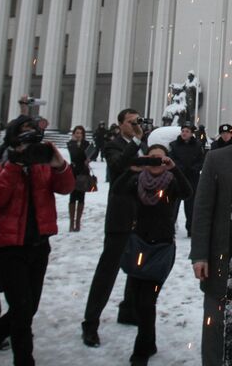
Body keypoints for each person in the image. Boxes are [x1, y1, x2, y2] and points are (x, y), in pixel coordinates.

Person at [0, 115, 74, 366]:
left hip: (38, 243)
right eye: (23, 134)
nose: (28, 139)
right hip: (9, 246)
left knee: (28, 308)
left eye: (32, 133)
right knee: (22, 310)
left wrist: (60, 165)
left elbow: (66, 187)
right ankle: (24, 360)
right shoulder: (1, 160)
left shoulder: (42, 159)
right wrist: (14, 164)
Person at [115, 145, 191, 365]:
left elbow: (188, 193)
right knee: (139, 301)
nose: (155, 163)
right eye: (151, 158)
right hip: (138, 244)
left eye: (160, 158)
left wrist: (175, 169)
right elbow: (117, 191)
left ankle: (140, 352)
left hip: (161, 248)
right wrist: (133, 169)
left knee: (147, 301)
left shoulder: (171, 182)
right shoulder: (138, 181)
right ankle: (150, 342)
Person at [81, 108, 148, 347]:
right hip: (121, 215)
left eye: (137, 121)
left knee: (137, 267)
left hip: (142, 215)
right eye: (131, 123)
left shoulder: (143, 144)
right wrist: (136, 145)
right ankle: (91, 322)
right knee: (107, 271)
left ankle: (128, 309)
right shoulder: (114, 144)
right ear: (120, 125)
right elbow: (118, 166)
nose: (135, 126)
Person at [190, 142, 232, 365]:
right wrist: (199, 255)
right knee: (215, 323)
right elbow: (203, 210)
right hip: (220, 258)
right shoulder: (217, 158)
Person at [167, 122, 204, 236]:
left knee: (191, 206)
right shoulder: (174, 145)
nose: (184, 133)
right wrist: (179, 168)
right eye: (183, 131)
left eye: (187, 131)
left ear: (191, 133)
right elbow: (172, 159)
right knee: (173, 205)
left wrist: (194, 168)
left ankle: (191, 229)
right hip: (177, 178)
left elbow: (201, 160)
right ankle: (169, 228)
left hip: (192, 178)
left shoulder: (198, 145)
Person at [67, 125, 91, 232]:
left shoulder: (87, 144)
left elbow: (91, 154)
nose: (78, 135)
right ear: (74, 134)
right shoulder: (70, 144)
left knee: (81, 197)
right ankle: (71, 222)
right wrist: (75, 144)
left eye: (80, 133)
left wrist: (89, 158)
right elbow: (75, 155)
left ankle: (78, 222)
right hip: (73, 172)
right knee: (72, 196)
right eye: (77, 133)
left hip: (83, 172)